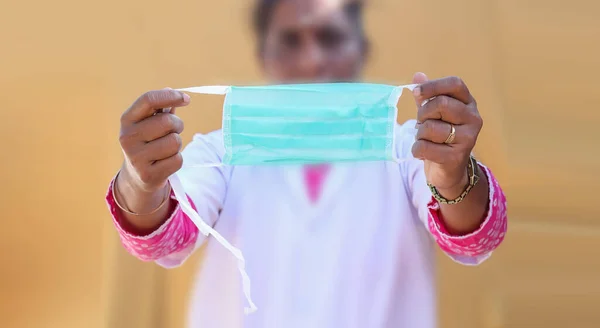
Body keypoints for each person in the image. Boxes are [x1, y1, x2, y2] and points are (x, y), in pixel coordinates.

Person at [107, 0, 507, 327]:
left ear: (361, 49)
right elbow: (165, 236)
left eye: (331, 38)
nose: (313, 60)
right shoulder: (221, 155)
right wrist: (140, 185)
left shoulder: (409, 151)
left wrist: (453, 176)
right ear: (264, 55)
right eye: (291, 41)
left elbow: (473, 235)